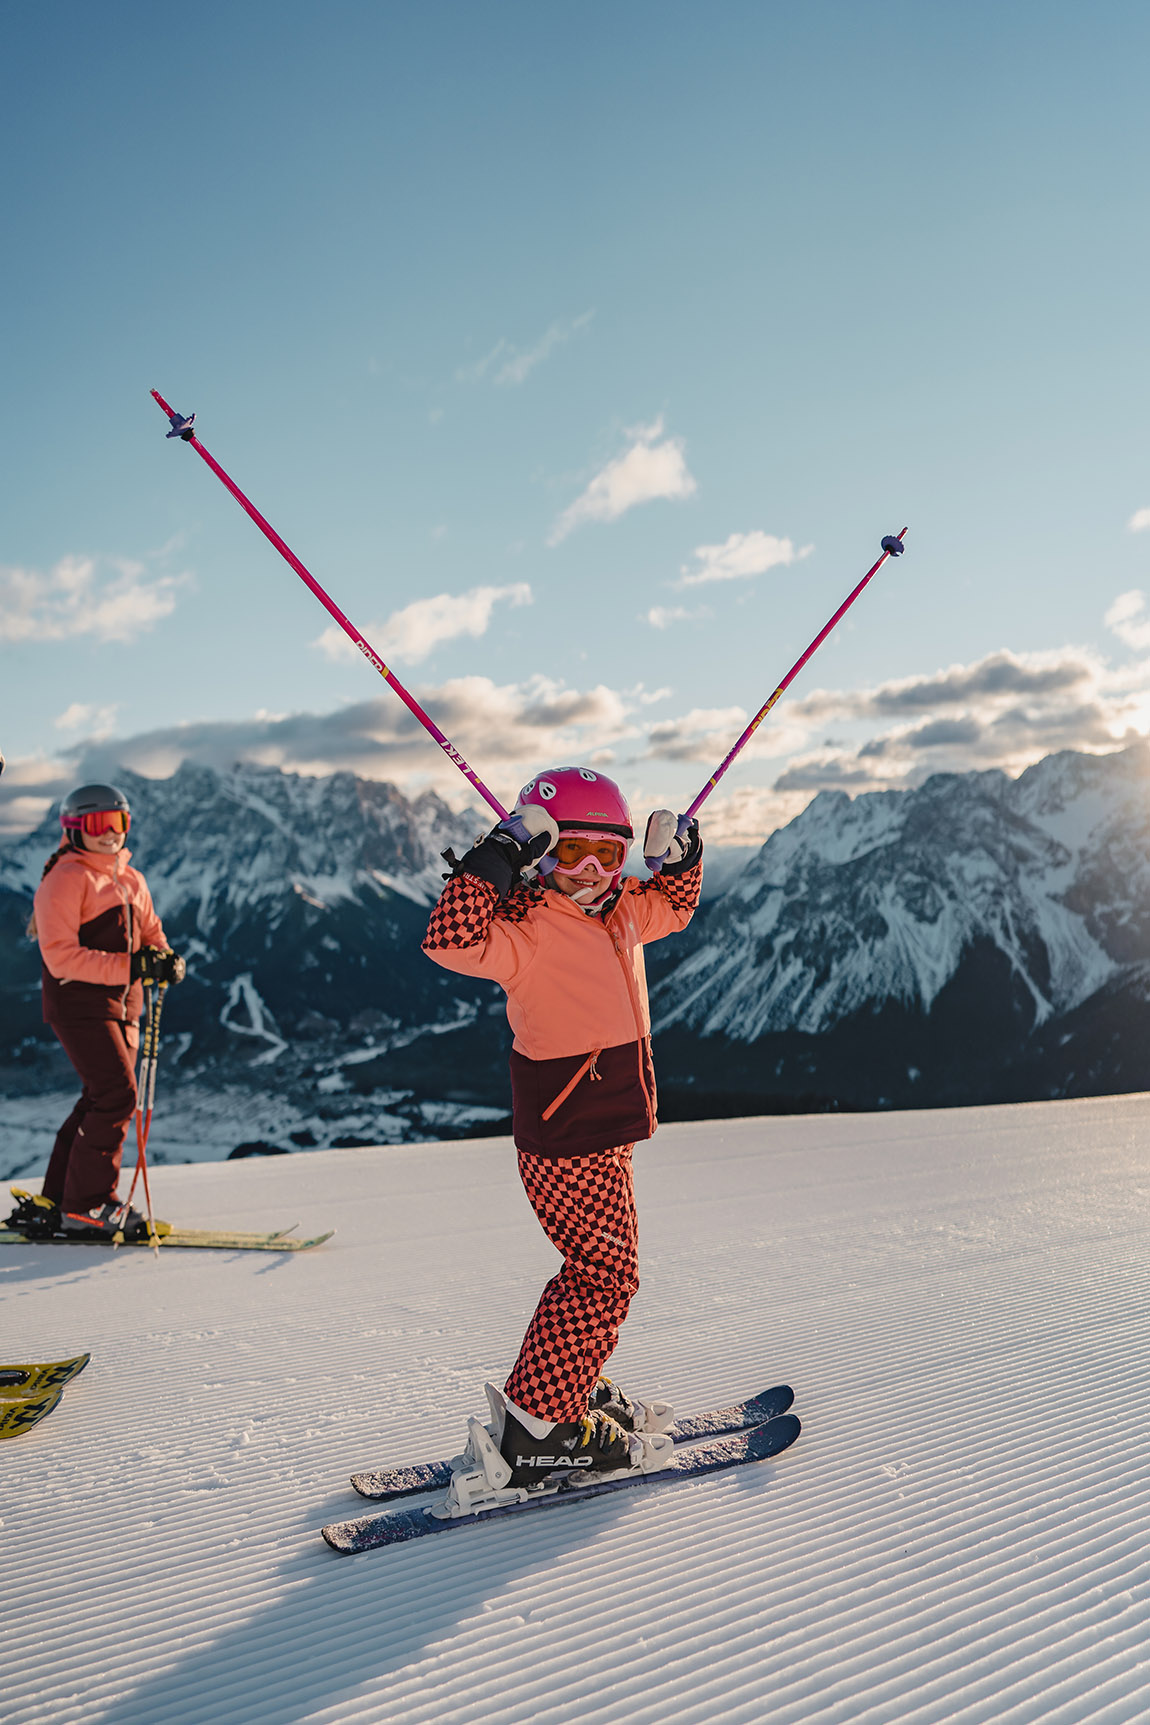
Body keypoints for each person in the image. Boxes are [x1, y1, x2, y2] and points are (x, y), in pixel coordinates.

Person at [422, 765, 702, 1492]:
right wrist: (494, 856)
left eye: (609, 855)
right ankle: (540, 1428)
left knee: (600, 1270)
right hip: (569, 1137)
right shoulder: (524, 929)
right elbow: (447, 939)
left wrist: (683, 859)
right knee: (604, 1276)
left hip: (605, 1130)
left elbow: (676, 907)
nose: (589, 872)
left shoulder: (624, 911)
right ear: (537, 852)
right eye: (568, 852)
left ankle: (563, 1383)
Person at [24, 783, 185, 1240]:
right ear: (75, 828)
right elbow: (60, 958)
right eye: (98, 824)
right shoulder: (66, 880)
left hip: (123, 1005)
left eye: (119, 822)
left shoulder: (131, 879)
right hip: (78, 1002)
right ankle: (88, 1205)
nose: (110, 833)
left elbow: (152, 934)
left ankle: (58, 1200)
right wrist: (133, 966)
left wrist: (164, 959)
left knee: (99, 1096)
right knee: (116, 1095)